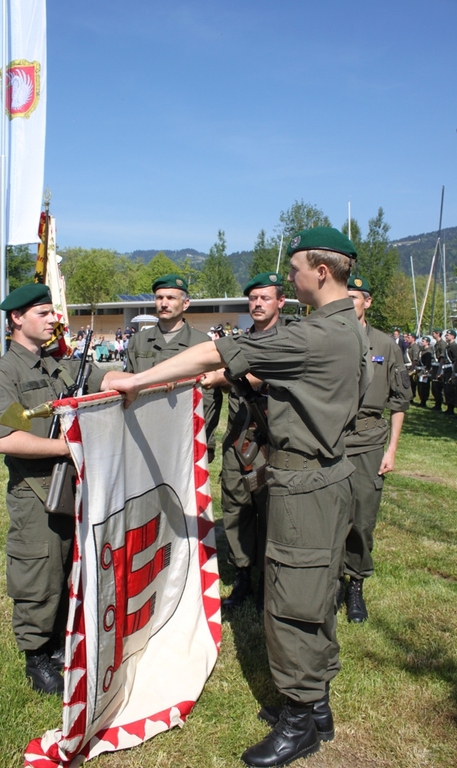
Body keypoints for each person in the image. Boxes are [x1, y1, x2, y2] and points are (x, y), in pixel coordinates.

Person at [101, 228, 371, 766]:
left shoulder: (316, 334)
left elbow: (214, 352)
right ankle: (317, 705)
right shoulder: (347, 328)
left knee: (292, 602)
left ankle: (300, 720)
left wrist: (138, 381)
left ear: (321, 271)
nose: (289, 278)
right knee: (315, 592)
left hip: (304, 483)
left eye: (294, 270)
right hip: (327, 477)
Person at [0, 284, 105, 695]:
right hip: (35, 492)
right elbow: (5, 438)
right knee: (40, 571)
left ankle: (61, 643)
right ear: (17, 318)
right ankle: (37, 655)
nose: (54, 319)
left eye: (53, 312)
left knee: (70, 565)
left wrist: (150, 380)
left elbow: (106, 380)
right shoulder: (6, 375)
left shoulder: (55, 365)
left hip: (70, 484)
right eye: (44, 313)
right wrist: (66, 447)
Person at [202, 273, 285, 613]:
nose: (258, 304)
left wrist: (225, 376)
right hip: (238, 439)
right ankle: (243, 575)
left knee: (270, 509)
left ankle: (269, 578)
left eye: (265, 297)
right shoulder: (237, 342)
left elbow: (267, 372)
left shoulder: (291, 338)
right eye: (253, 298)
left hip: (274, 440)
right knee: (236, 506)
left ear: (280, 301)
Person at [339, 275, 411, 623]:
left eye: (354, 297)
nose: (348, 302)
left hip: (368, 440)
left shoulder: (385, 344)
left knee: (362, 518)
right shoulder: (332, 338)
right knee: (328, 517)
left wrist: (391, 449)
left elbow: (399, 400)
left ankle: (355, 584)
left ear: (367, 302)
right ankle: (329, 582)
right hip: (331, 438)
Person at [125, 274, 221, 460]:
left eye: (171, 298)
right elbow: (127, 385)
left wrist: (206, 441)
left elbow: (210, 398)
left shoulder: (202, 343)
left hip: (186, 439)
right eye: (159, 298)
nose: (164, 303)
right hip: (144, 434)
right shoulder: (139, 341)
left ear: (185, 304)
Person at [430, 328, 447, 410]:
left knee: (438, 386)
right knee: (434, 387)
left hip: (439, 367)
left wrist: (439, 371)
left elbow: (442, 358)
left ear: (438, 333)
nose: (433, 334)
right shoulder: (437, 344)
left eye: (434, 333)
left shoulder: (442, 344)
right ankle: (437, 403)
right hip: (435, 366)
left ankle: (439, 404)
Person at [443, 330, 457, 415]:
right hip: (447, 369)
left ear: (453, 336)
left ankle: (451, 408)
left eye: (448, 335)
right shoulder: (448, 346)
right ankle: (449, 407)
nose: (446, 336)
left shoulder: (454, 347)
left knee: (451, 389)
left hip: (452, 369)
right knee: (447, 389)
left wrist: (453, 373)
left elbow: (455, 361)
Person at [417, 337, 434, 407]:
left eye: (423, 341)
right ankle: (421, 399)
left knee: (425, 386)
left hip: (425, 370)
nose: (421, 342)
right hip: (421, 370)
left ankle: (423, 401)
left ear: (427, 342)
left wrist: (427, 371)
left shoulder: (429, 351)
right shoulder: (422, 351)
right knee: (420, 386)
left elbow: (428, 362)